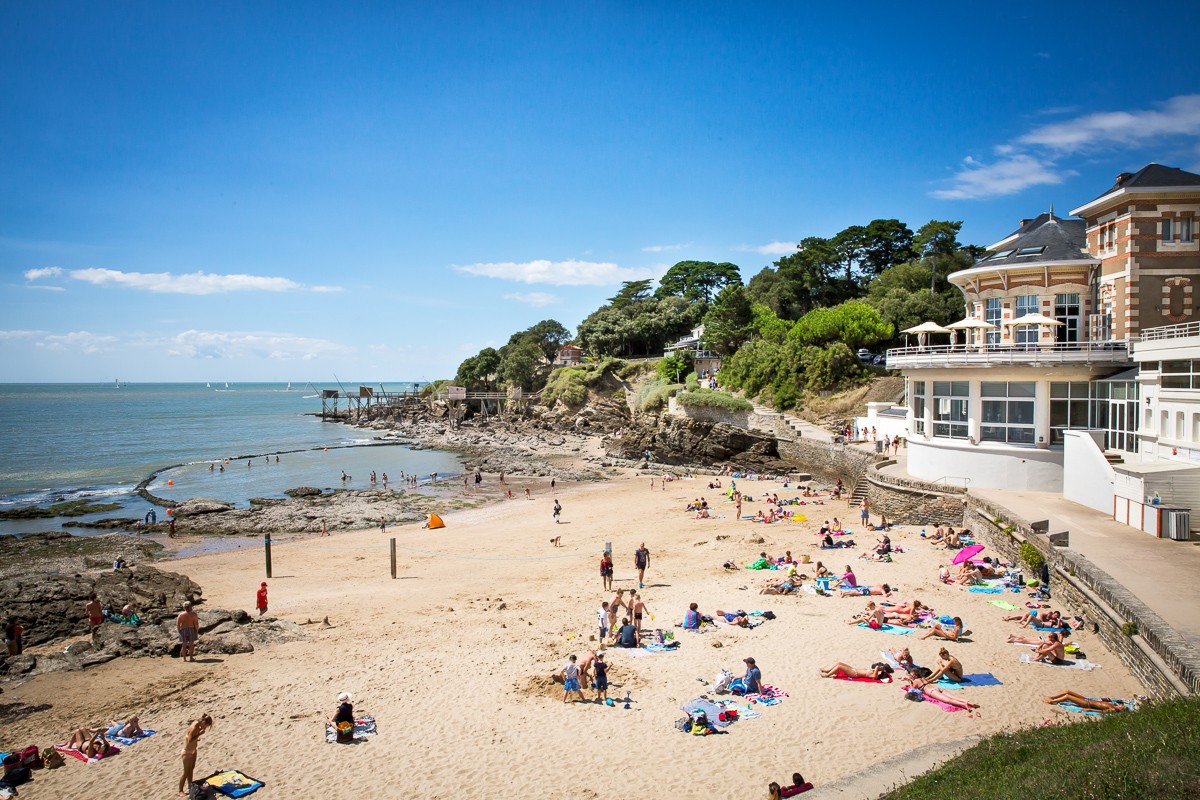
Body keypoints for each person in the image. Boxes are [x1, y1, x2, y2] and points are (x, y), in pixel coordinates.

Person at [178, 714, 213, 795]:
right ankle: (180, 790)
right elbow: (190, 740)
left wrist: (199, 732)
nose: (205, 728)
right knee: (186, 772)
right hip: (187, 752)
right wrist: (200, 734)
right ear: (203, 722)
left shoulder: (198, 724)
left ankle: (190, 786)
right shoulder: (195, 727)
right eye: (206, 726)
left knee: (191, 769)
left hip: (193, 750)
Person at [1043, 690, 1131, 714]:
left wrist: (1088, 709)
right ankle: (1052, 697)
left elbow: (1102, 711)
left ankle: (1052, 702)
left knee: (1067, 696)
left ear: (1121, 709)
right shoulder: (1113, 704)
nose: (1120, 705)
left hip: (1087, 704)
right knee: (1067, 691)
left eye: (1121, 706)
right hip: (1087, 699)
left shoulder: (1112, 709)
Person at [819, 661, 893, 681]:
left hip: (854, 673)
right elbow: (874, 666)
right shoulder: (875, 671)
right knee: (839, 663)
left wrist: (878, 668)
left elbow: (874, 677)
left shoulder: (875, 675)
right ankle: (827, 670)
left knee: (839, 666)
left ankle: (827, 675)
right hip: (854, 669)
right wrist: (879, 668)